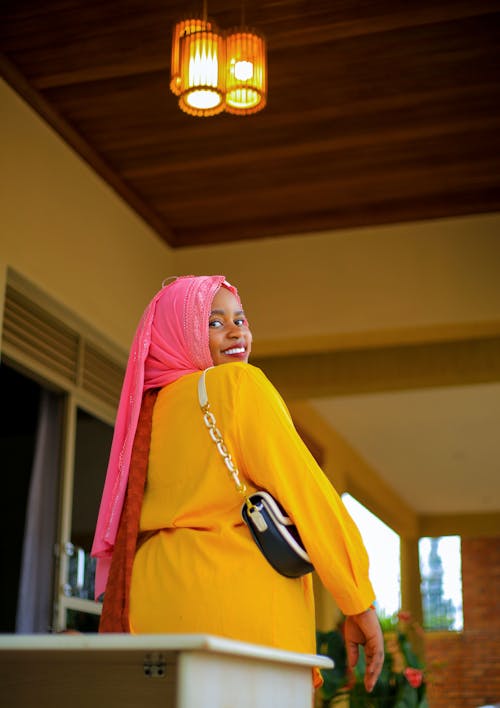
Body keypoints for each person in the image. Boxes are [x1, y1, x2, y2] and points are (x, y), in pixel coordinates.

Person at [91, 275, 384, 692]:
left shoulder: (147, 412)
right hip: (236, 621)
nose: (237, 331)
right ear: (181, 331)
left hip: (151, 615)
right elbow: (308, 494)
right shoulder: (238, 386)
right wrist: (358, 600)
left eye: (240, 318)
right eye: (214, 322)